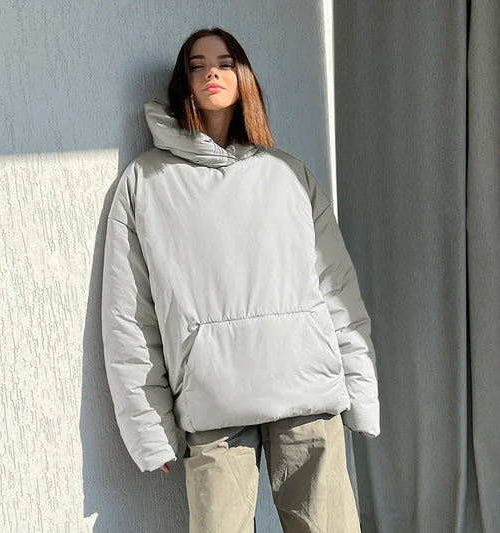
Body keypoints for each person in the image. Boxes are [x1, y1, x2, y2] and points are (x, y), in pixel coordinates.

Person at [101, 26, 380, 533]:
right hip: (212, 398)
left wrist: (360, 389)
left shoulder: (289, 175)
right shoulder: (146, 182)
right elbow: (129, 315)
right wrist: (148, 427)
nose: (211, 72)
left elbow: (336, 290)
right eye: (197, 65)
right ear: (182, 82)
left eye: (225, 63)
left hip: (304, 385)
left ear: (244, 77)